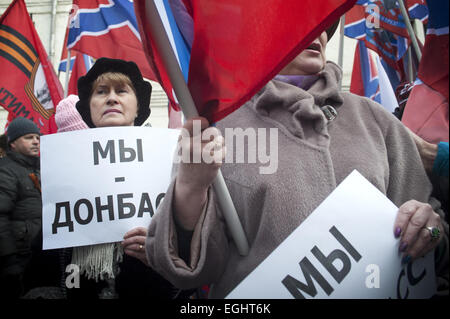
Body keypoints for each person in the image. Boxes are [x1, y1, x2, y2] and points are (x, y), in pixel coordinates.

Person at [145, 26, 449, 298]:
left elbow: (435, 232)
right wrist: (190, 189)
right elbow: (190, 270)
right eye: (296, 18)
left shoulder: (374, 118)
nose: (314, 30)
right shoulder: (216, 131)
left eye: (319, 21)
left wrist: (429, 229)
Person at [54, 57, 187, 299]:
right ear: (89, 107)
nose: (111, 98)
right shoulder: (65, 165)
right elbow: (50, 253)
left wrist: (165, 256)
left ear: (138, 106)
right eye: (101, 92)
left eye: (122, 91)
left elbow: (193, 244)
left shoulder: (169, 159)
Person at [0, 117, 62, 298]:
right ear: (12, 143)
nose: (36, 141)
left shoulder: (41, 170)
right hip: (18, 257)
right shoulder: (6, 171)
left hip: (38, 254)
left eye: (37, 137)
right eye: (28, 137)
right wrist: (9, 260)